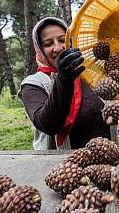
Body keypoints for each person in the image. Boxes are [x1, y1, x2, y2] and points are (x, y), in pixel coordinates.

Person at [19, 17, 113, 150]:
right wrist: (63, 80)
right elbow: (48, 125)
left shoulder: (91, 75)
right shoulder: (33, 84)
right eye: (48, 44)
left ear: (71, 41)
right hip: (63, 167)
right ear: (39, 50)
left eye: (62, 40)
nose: (58, 48)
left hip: (106, 162)